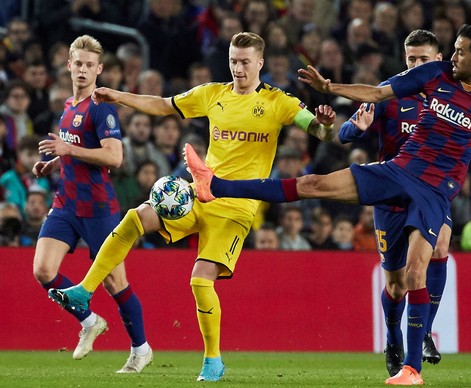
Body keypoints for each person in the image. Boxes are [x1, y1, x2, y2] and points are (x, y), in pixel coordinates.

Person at [180, 25, 471, 385]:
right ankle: (216, 184)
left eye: (459, 52)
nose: (452, 58)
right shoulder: (434, 76)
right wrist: (329, 85)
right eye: (451, 50)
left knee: (420, 268)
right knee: (313, 183)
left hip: (435, 193)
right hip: (397, 171)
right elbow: (376, 92)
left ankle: (412, 368)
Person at [48, 32, 336, 382]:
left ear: (260, 62)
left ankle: (212, 360)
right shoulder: (213, 94)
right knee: (134, 218)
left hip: (237, 208)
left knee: (200, 282)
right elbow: (164, 105)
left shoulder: (279, 102)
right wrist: (118, 96)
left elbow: (319, 132)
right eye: (233, 60)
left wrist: (324, 124)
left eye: (245, 61)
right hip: (198, 194)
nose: (238, 68)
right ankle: (83, 291)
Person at [338, 29, 471, 375]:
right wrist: (357, 129)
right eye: (411, 60)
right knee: (395, 284)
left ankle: (423, 335)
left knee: (439, 247)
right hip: (390, 191)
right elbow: (346, 132)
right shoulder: (394, 92)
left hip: (432, 192)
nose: (416, 65)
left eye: (423, 59)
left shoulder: (450, 90)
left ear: (438, 59)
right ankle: (393, 338)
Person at [34, 35, 152, 373]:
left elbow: (114, 157)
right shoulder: (69, 107)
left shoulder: (102, 108)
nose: (83, 70)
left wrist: (68, 151)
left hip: (99, 208)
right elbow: (72, 149)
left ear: (99, 70)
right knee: (43, 270)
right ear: (69, 65)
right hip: (66, 203)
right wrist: (52, 164)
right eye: (78, 64)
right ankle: (89, 321)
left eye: (90, 65)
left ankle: (141, 349)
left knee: (116, 284)